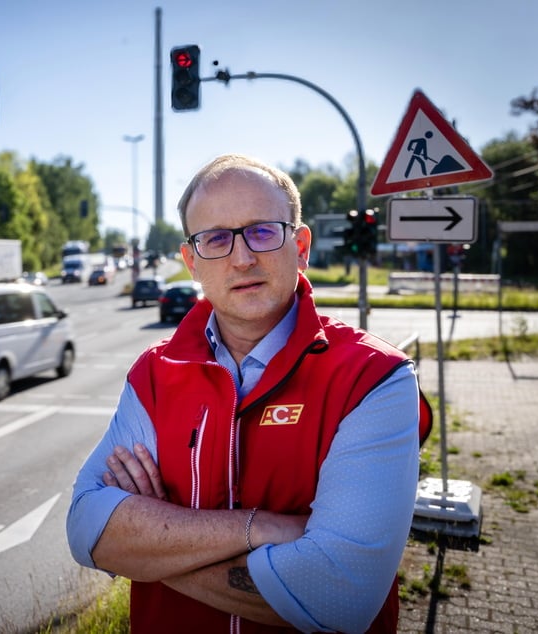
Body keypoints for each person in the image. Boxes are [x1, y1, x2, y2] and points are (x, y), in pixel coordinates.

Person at [66, 154, 431, 633]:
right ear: (192, 262)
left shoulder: (373, 378)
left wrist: (149, 548)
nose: (242, 258)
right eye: (215, 238)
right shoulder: (155, 373)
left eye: (262, 231)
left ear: (299, 246)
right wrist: (260, 527)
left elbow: (341, 595)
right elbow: (85, 529)